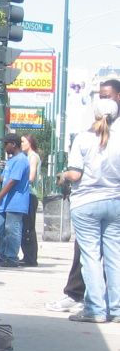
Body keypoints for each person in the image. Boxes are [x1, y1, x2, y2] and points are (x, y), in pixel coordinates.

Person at [59, 97, 120, 323]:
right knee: (114, 256)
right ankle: (117, 308)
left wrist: (63, 175)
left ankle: (95, 309)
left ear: (94, 114)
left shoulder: (83, 139)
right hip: (115, 201)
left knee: (91, 256)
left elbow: (75, 174)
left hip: (86, 202)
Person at [0, 134, 30, 268]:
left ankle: (11, 258)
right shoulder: (12, 160)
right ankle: (1, 255)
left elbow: (13, 181)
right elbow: (7, 175)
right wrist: (0, 178)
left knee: (12, 230)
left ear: (13, 144)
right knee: (0, 229)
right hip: (5, 203)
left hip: (15, 202)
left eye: (6, 144)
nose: (4, 147)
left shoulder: (21, 160)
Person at [19, 134, 41, 267]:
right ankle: (28, 255)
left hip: (30, 194)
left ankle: (30, 257)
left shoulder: (32, 157)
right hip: (27, 194)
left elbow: (31, 177)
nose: (21, 144)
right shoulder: (27, 157)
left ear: (30, 142)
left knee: (28, 227)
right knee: (26, 226)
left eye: (23, 141)